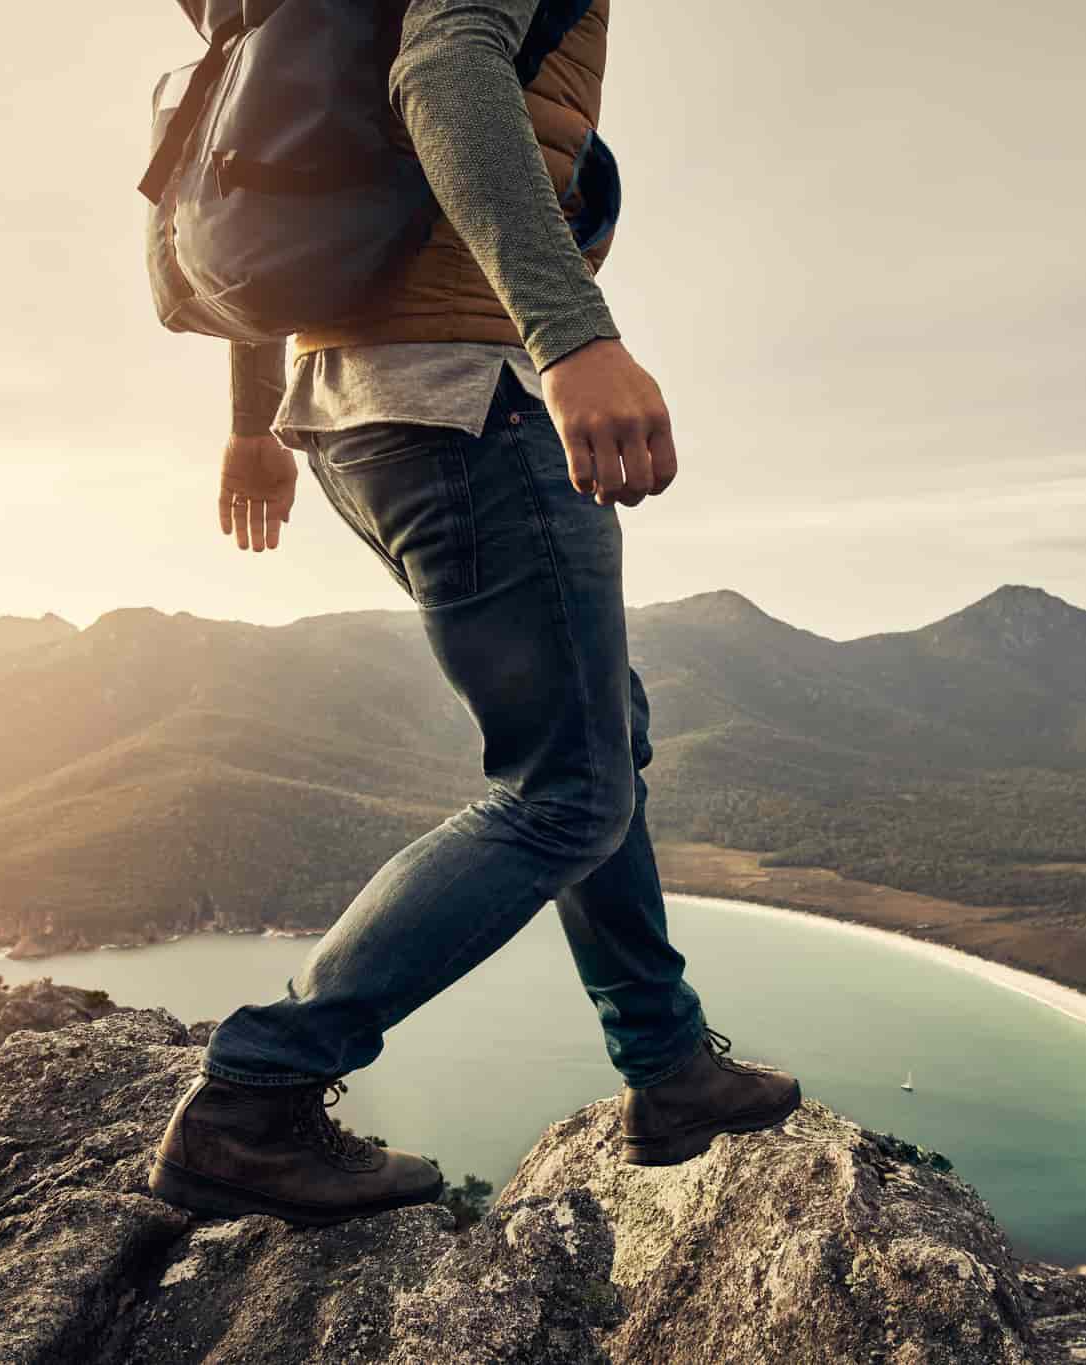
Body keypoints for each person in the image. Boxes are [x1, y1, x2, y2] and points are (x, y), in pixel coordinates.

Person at [147, 0, 801, 1228]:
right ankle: (256, 1092)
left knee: (603, 742)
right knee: (569, 792)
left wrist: (250, 418)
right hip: (468, 399)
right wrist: (575, 341)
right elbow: (443, 70)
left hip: (361, 412)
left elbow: (273, 184)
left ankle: (667, 1067)